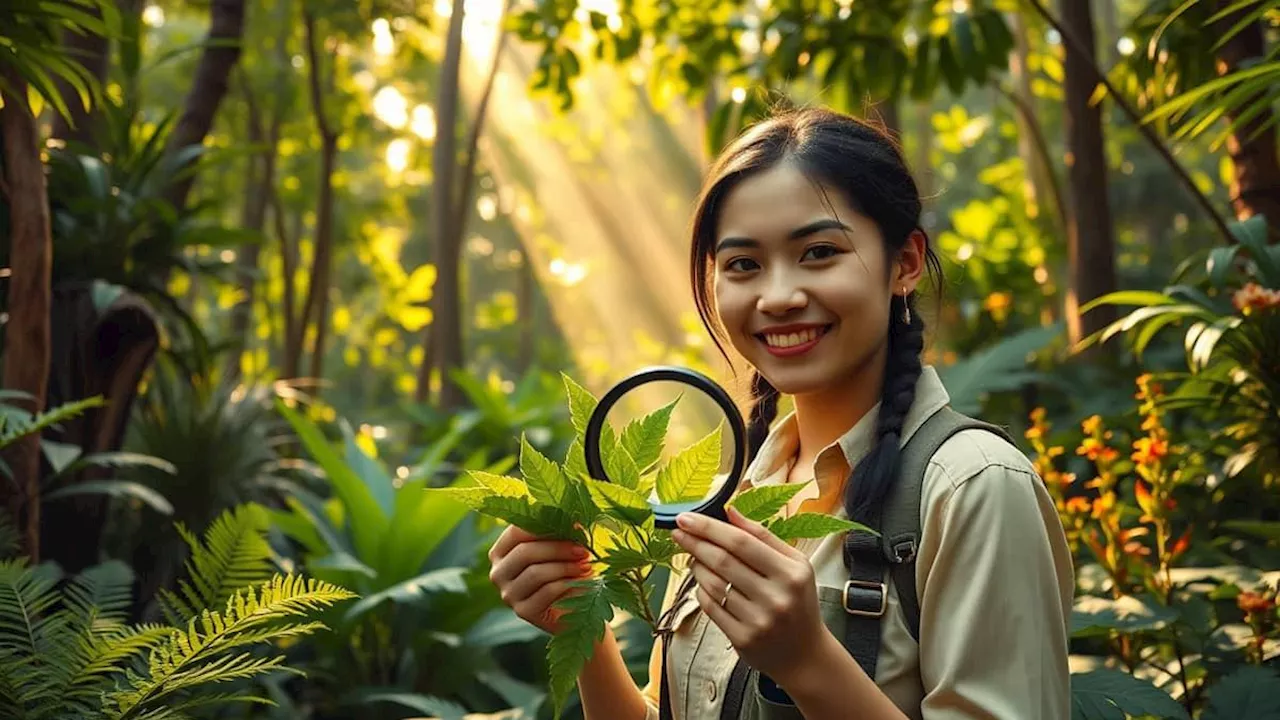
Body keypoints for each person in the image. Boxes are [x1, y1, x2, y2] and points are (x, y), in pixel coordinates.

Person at [486, 106, 1074, 720]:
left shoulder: (972, 487)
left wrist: (807, 661)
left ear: (904, 263)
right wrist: (580, 625)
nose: (779, 296)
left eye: (819, 252)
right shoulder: (731, 495)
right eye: (743, 264)